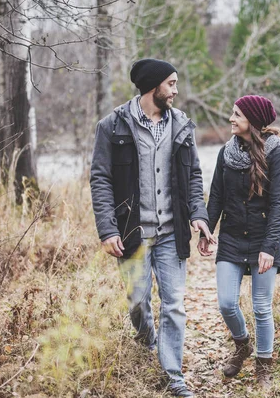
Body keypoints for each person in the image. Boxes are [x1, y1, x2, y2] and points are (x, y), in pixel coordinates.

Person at [90, 58, 215, 398]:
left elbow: (193, 176)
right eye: (171, 84)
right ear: (152, 86)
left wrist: (199, 216)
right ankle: (147, 343)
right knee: (138, 301)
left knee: (174, 304)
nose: (175, 90)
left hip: (172, 234)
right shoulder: (112, 126)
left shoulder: (182, 126)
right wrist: (107, 229)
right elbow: (100, 179)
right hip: (132, 233)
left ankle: (173, 376)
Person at [198, 95, 280, 388]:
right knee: (226, 302)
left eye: (236, 114)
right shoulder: (226, 154)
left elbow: (278, 204)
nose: (230, 119)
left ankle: (263, 364)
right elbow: (217, 198)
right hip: (232, 239)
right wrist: (206, 232)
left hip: (264, 239)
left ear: (252, 119)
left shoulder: (276, 154)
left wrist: (269, 247)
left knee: (261, 307)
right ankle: (242, 345)